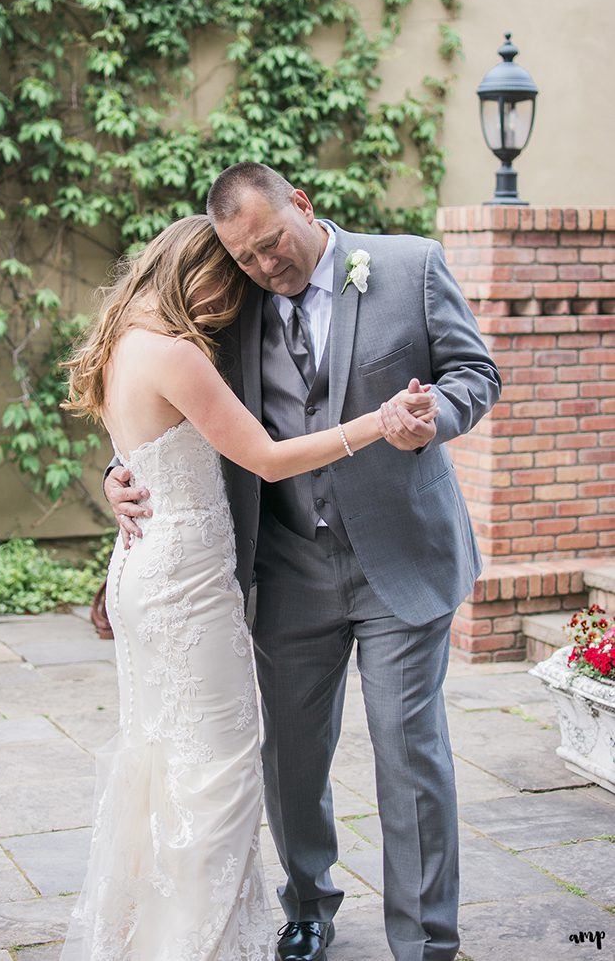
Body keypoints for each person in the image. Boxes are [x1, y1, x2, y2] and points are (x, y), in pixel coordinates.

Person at [106, 163, 501, 961]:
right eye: (244, 257)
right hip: (287, 566)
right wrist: (121, 474)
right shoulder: (230, 305)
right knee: (290, 756)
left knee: (407, 749)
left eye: (270, 245)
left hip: (402, 557)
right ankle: (308, 906)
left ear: (303, 207)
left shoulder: (408, 266)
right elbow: (163, 408)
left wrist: (438, 418)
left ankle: (425, 939)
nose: (262, 267)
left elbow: (477, 374)